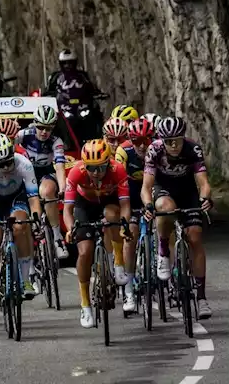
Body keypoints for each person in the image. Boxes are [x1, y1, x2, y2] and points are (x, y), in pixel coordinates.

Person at [141, 116, 213, 319]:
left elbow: (203, 182)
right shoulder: (154, 150)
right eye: (168, 141)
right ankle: (163, 250)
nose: (173, 145)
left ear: (183, 138)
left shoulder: (193, 149)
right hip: (162, 189)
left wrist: (205, 198)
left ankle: (201, 297)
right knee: (165, 208)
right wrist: (148, 205)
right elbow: (146, 186)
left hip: (187, 191)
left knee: (196, 236)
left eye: (177, 140)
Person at [64, 139, 130, 329]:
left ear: (108, 163)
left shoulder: (118, 169)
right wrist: (70, 229)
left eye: (100, 167)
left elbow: (125, 205)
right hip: (85, 204)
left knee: (113, 216)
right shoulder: (76, 171)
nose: (95, 173)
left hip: (109, 201)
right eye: (91, 168)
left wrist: (124, 226)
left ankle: (118, 263)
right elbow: (68, 210)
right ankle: (85, 304)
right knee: (85, 251)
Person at [0, 134, 43, 315]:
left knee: (21, 226)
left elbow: (34, 198)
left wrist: (36, 220)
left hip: (16, 198)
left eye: (8, 162)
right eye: (0, 164)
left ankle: (25, 280)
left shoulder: (24, 164)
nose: (5, 167)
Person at [14, 104, 68, 259]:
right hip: (25, 173)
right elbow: (7, 146)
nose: (44, 132)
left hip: (45, 173)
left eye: (48, 128)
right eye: (41, 127)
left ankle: (58, 238)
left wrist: (62, 187)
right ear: (35, 124)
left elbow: (59, 166)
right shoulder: (24, 134)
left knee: (48, 191)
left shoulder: (56, 141)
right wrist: (11, 134)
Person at [115, 117, 153, 313]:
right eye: (136, 141)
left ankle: (171, 273)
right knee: (130, 237)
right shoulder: (124, 151)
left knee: (167, 225)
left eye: (146, 140)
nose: (142, 145)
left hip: (152, 190)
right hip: (130, 193)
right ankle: (128, 291)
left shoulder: (157, 148)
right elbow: (119, 181)